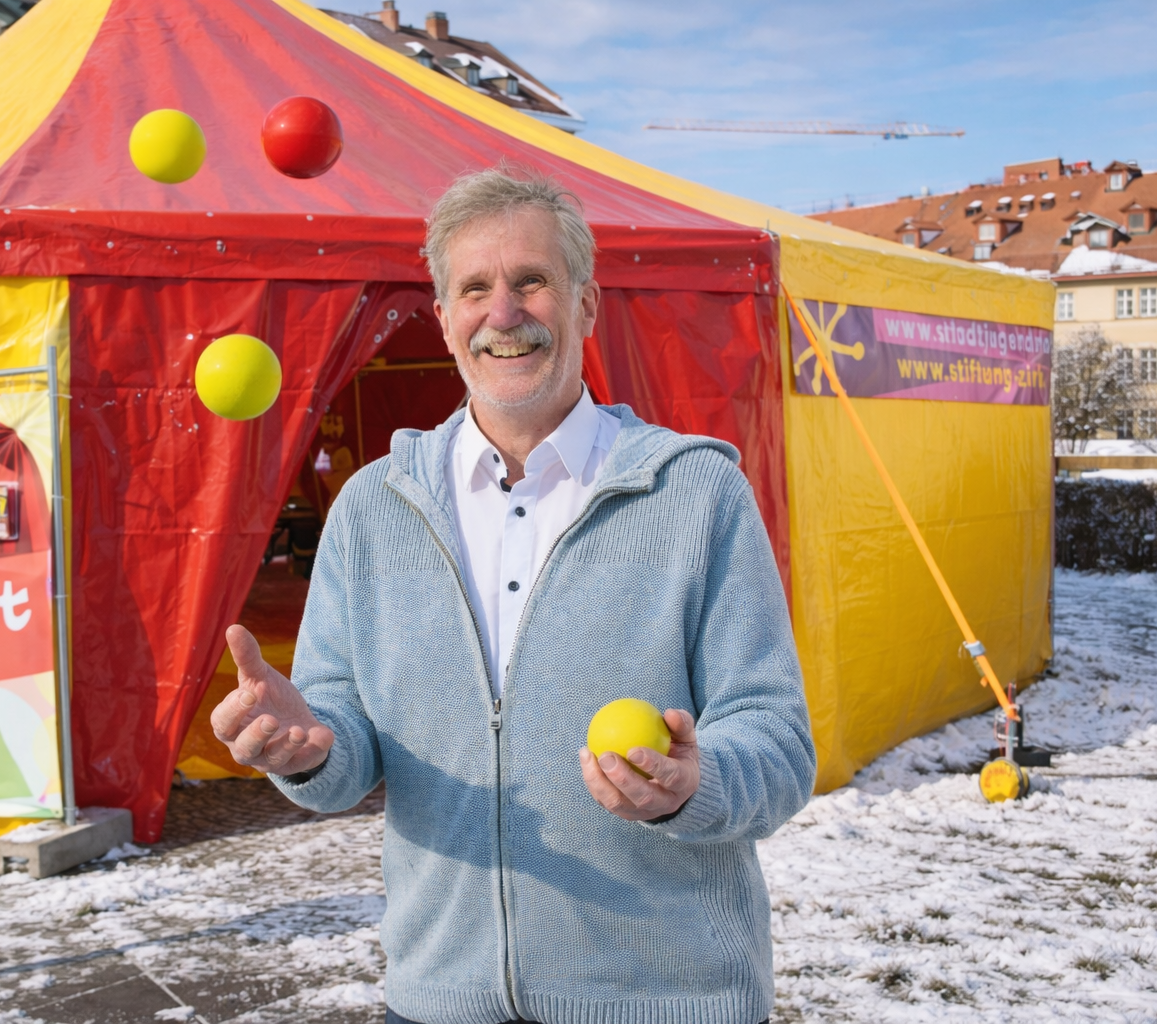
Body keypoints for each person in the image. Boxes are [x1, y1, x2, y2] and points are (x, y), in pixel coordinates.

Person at [212, 168, 815, 1024]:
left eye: (531, 281)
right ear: (445, 316)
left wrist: (695, 784)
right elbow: (343, 745)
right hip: (440, 998)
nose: (504, 314)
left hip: (670, 1000)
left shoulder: (696, 495)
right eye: (475, 289)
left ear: (586, 304)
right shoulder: (374, 509)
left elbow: (779, 745)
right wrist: (306, 744)